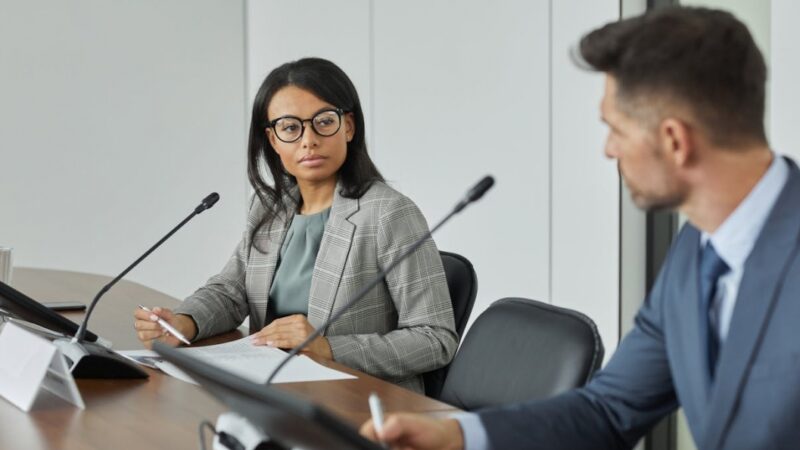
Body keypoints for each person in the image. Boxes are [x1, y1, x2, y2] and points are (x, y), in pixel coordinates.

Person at [361, 6, 800, 448]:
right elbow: (609, 409)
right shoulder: (697, 251)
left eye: (615, 129)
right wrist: (459, 435)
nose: (609, 150)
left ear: (674, 141)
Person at [133, 57, 458, 393]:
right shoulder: (269, 208)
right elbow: (231, 291)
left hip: (361, 401)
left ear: (348, 126)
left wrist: (328, 348)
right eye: (290, 128)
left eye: (323, 122)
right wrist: (184, 323)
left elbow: (435, 339)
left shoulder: (388, 213)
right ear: (273, 140)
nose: (308, 140)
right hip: (275, 392)